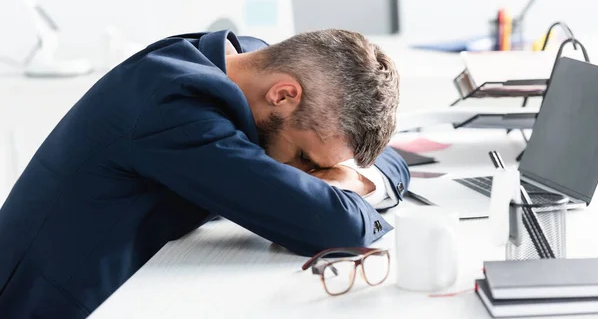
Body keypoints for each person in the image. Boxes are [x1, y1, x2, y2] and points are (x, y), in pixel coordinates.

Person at [0, 29, 410, 318]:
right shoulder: (174, 106)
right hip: (59, 305)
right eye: (304, 157)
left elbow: (394, 159)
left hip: (144, 283)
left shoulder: (249, 62)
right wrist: (349, 183)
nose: (309, 174)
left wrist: (356, 177)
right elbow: (335, 226)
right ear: (283, 94)